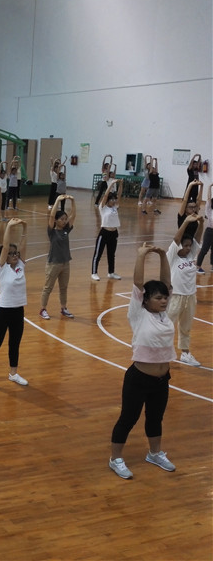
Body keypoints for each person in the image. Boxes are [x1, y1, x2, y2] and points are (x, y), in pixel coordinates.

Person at [108, 243, 175, 480]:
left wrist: (163, 255)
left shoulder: (164, 315)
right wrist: (142, 254)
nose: (164, 301)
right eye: (158, 298)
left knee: (155, 418)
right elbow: (138, 284)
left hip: (161, 379)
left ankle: (154, 454)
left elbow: (166, 282)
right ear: (145, 300)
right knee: (129, 418)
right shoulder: (138, 314)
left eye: (165, 298)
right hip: (138, 379)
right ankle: (115, 459)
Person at [0, 218, 29, 391]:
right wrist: (9, 227)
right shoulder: (1, 268)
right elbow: (6, 244)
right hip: (3, 312)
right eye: (11, 253)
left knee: (14, 344)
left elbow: (23, 245)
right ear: (4, 256)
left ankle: (13, 373)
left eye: (16, 253)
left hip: (18, 311)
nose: (15, 255)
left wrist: (25, 228)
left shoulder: (20, 266)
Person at [167, 214, 205, 366]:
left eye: (190, 246)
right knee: (168, 327)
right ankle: (162, 352)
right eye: (186, 246)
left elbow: (197, 239)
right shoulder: (172, 256)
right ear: (179, 246)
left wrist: (201, 223)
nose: (189, 248)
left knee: (186, 327)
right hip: (175, 297)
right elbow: (176, 239)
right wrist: (186, 222)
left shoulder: (190, 256)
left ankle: (185, 353)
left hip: (190, 297)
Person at [38, 196, 76, 320]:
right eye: (62, 219)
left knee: (63, 288)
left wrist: (73, 201)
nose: (64, 221)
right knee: (48, 288)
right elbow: (51, 216)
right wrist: (58, 200)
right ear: (56, 220)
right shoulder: (52, 232)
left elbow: (73, 215)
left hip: (65, 264)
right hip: (53, 264)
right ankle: (43, 309)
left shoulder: (66, 230)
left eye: (65, 219)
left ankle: (64, 308)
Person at [91, 180, 122, 281]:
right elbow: (105, 195)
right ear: (107, 200)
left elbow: (119, 194)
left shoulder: (115, 207)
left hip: (114, 233)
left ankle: (111, 272)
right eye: (111, 199)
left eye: (114, 199)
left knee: (111, 254)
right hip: (104, 233)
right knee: (98, 254)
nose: (113, 201)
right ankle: (94, 273)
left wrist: (121, 184)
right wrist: (111, 184)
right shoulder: (103, 208)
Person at [196, 184, 213, 274]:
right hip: (210, 231)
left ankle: (212, 266)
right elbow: (209, 198)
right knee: (204, 249)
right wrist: (210, 187)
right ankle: (198, 266)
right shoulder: (209, 211)